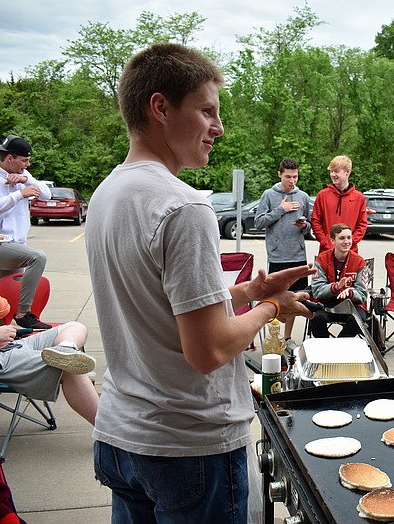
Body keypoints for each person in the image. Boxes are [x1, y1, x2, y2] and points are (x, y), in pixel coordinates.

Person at [85, 43, 314, 522]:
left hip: (122, 436)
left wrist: (249, 292)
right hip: (189, 449)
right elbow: (208, 350)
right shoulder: (184, 207)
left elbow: (156, 301)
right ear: (161, 107)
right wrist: (274, 309)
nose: (219, 126)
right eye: (207, 110)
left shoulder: (109, 192)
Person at [0, 294, 98, 426]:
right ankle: (111, 434)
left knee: (74, 327)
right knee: (69, 368)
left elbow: (3, 308)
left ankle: (65, 348)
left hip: (12, 345)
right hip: (2, 359)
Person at [254, 158, 312, 351]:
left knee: (294, 298)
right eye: (288, 176)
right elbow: (259, 222)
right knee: (276, 298)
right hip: (278, 256)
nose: (292, 180)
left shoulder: (302, 196)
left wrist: (304, 226)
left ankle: (287, 338)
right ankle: (274, 337)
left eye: (295, 176)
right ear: (279, 174)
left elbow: (309, 228)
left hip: (297, 254)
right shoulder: (269, 195)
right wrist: (281, 209)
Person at [0, 134, 53, 329]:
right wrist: (19, 194)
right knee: (37, 258)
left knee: (2, 303)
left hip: (15, 244)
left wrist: (25, 179)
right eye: (24, 160)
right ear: (10, 158)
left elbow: (47, 194)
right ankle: (23, 313)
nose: (28, 164)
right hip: (0, 243)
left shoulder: (23, 177)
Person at [309, 223, 369, 338]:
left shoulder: (360, 262)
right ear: (332, 240)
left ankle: (339, 348)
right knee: (316, 317)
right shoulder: (321, 259)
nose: (346, 242)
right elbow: (317, 291)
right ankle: (324, 349)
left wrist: (350, 292)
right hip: (326, 303)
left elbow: (362, 295)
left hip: (351, 304)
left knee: (358, 319)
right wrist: (335, 287)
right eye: (341, 238)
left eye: (349, 238)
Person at [310, 155, 367, 254]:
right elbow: (316, 221)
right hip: (326, 252)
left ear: (347, 172)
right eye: (331, 171)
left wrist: (350, 242)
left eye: (336, 171)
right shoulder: (322, 195)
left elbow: (362, 224)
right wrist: (325, 241)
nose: (333, 175)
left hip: (350, 252)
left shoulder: (359, 198)